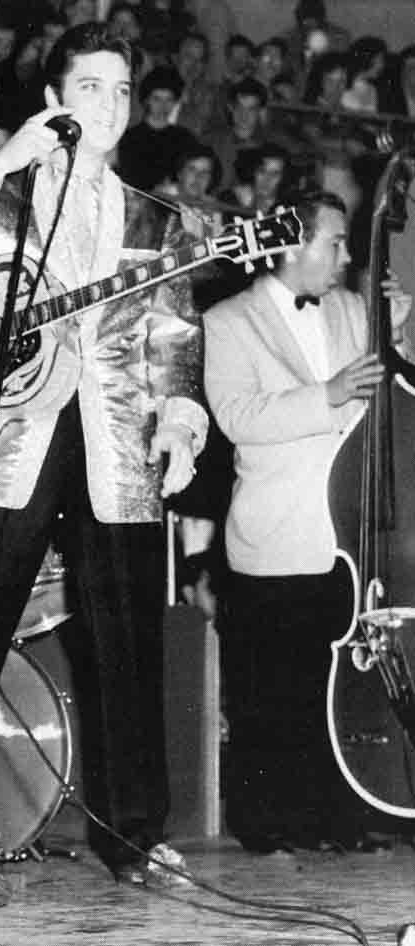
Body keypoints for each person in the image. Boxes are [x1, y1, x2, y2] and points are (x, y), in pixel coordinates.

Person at [0, 21, 208, 887]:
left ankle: (135, 839)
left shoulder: (160, 219)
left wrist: (178, 425)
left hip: (118, 446)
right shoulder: (12, 197)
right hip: (14, 435)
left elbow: (174, 340)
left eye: (123, 90)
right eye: (92, 87)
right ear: (58, 98)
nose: (110, 105)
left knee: (129, 646)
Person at [204, 189, 413, 853]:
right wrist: (325, 396)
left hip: (348, 539)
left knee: (336, 692)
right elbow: (238, 416)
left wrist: (400, 315)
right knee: (276, 689)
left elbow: (397, 371)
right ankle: (270, 825)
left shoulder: (355, 309)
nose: (346, 256)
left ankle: (341, 816)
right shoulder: (229, 321)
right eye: (335, 242)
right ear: (291, 244)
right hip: (278, 531)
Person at [116, 65, 197, 192]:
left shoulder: (185, 138)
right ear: (147, 100)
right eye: (157, 99)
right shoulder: (130, 137)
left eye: (169, 99)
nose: (163, 106)